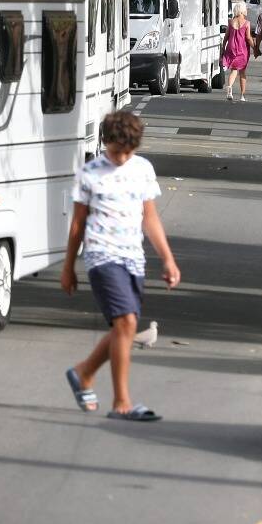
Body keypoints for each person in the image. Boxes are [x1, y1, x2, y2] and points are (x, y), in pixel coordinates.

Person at [59, 109, 182, 422]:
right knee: (127, 322)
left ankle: (84, 372)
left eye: (129, 152)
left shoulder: (142, 170)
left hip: (133, 257)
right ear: (106, 143)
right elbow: (77, 225)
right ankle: (122, 402)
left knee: (123, 328)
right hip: (101, 255)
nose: (122, 158)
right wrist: (68, 266)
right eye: (116, 151)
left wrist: (167, 258)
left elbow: (150, 218)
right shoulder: (90, 173)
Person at [221, 6, 253, 100]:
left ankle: (230, 88)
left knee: (233, 70)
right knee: (242, 72)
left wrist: (223, 48)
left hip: (231, 48)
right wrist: (254, 47)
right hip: (242, 49)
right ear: (242, 11)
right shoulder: (247, 23)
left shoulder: (231, 22)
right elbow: (248, 38)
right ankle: (242, 95)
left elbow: (226, 37)